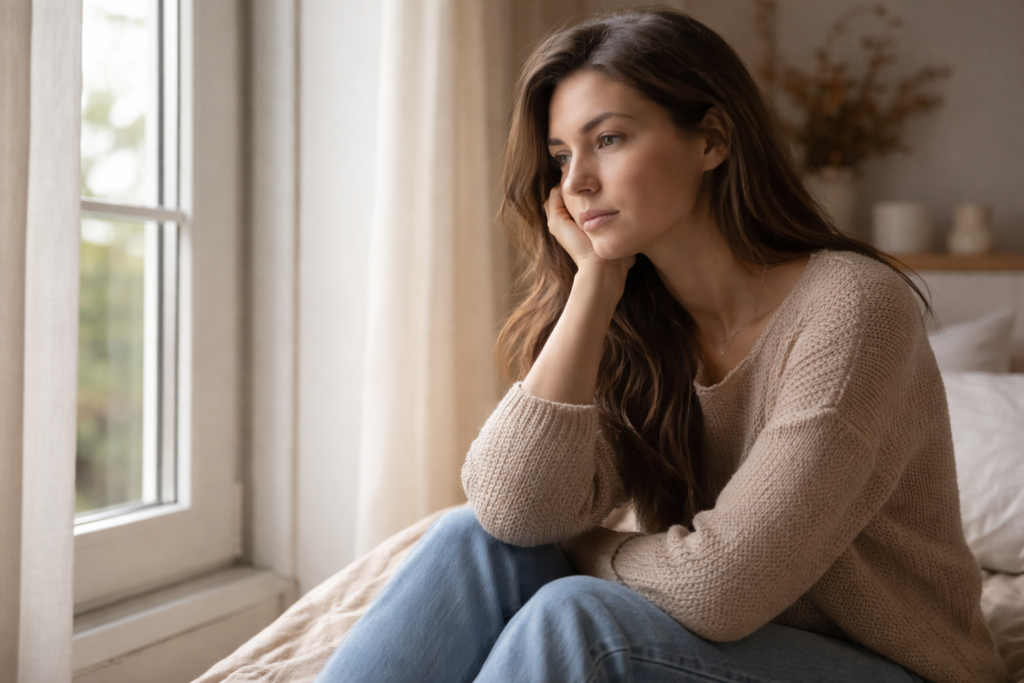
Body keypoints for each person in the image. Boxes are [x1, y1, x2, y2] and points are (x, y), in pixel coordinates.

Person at [316, 8, 1007, 683]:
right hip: (722, 650)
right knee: (470, 539)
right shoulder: (642, 319)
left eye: (608, 139)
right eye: (561, 157)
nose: (577, 182)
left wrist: (581, 545)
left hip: (896, 665)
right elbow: (512, 511)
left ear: (711, 141)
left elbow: (720, 589)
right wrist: (594, 285)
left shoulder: (853, 309)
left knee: (577, 616)